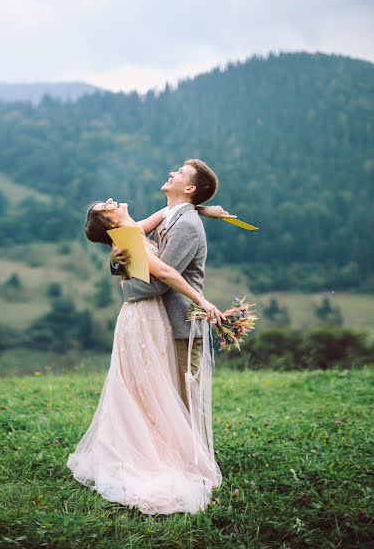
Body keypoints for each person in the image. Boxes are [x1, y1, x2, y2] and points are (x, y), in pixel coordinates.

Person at [66, 195, 226, 515]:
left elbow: (167, 212)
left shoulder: (133, 230)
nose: (112, 200)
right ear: (111, 222)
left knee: (149, 384)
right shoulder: (128, 238)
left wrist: (203, 210)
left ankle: (157, 439)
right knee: (148, 382)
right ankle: (154, 450)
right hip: (143, 316)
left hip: (144, 313)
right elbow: (165, 273)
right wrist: (203, 301)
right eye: (106, 206)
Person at [111, 159, 235, 408]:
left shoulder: (187, 226)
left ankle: (193, 449)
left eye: (180, 172)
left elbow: (161, 281)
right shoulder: (168, 216)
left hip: (181, 326)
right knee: (162, 404)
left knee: (185, 400)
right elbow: (139, 247)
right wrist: (116, 262)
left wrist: (126, 288)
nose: (171, 172)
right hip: (160, 324)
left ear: (189, 189)